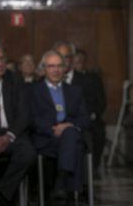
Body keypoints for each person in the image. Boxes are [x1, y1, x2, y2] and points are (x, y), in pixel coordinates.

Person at [28, 50, 90, 203]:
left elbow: (85, 119)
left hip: (68, 137)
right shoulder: (33, 91)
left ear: (64, 68)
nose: (55, 70)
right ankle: (71, 192)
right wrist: (53, 129)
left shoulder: (75, 91)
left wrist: (69, 125)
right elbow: (31, 119)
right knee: (75, 144)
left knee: (70, 134)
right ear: (44, 69)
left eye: (58, 66)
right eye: (51, 66)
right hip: (46, 139)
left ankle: (61, 180)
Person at [0, 42, 36, 206]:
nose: (0, 63)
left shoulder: (16, 79)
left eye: (2, 58)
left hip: (11, 133)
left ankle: (1, 195)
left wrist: (7, 137)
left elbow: (24, 115)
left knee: (27, 153)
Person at [53, 42, 106, 170]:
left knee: (92, 134)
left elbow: (99, 105)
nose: (63, 61)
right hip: (54, 127)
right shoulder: (46, 82)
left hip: (83, 126)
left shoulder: (89, 81)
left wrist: (75, 123)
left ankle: (84, 181)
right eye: (59, 56)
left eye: (66, 57)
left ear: (72, 58)